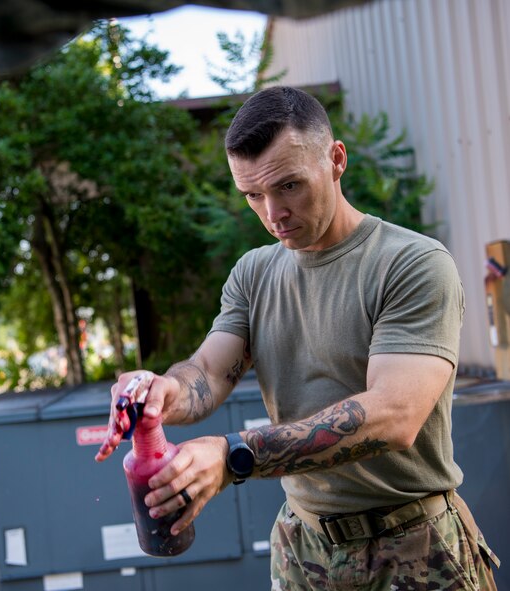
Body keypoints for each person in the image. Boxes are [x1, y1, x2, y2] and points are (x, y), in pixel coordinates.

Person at [96, 86, 500, 589]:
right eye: (253, 195)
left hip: (413, 544)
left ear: (335, 159)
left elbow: (395, 415)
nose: (272, 213)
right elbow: (206, 372)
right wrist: (162, 394)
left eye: (289, 186)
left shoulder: (412, 264)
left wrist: (233, 455)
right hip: (303, 548)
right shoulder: (253, 273)